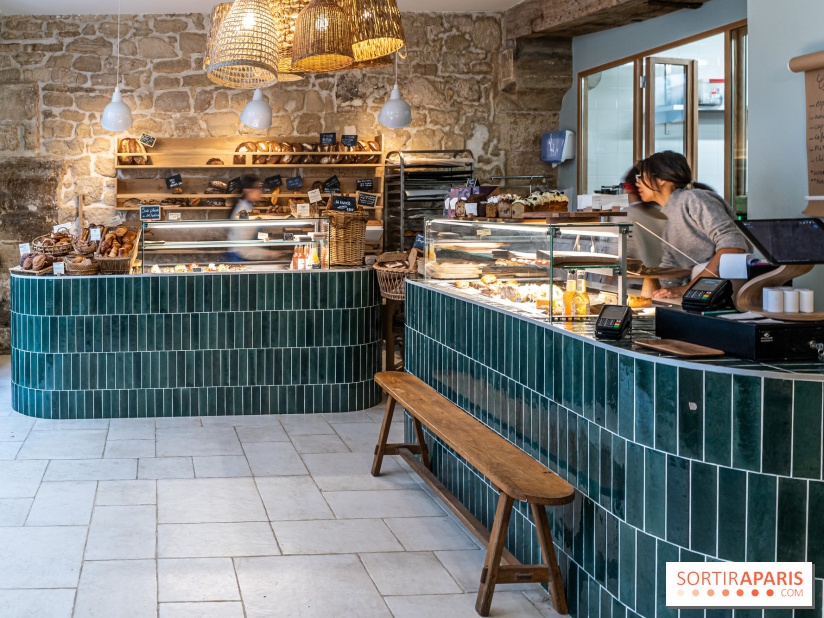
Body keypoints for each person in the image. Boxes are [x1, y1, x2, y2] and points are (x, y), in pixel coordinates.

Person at [634, 151, 749, 299]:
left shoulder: (693, 198)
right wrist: (657, 295)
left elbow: (733, 247)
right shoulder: (669, 216)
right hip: (704, 292)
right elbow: (671, 267)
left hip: (728, 292)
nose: (637, 183)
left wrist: (688, 288)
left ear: (661, 179)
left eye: (641, 177)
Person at [622, 165, 667, 268]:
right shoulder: (663, 214)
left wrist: (606, 283)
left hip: (637, 281)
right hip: (664, 279)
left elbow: (622, 255)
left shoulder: (627, 215)